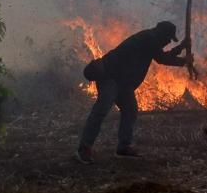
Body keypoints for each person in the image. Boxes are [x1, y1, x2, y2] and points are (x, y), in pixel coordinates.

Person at [76, 20, 189, 163]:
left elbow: (161, 55)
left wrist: (181, 48)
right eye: (168, 39)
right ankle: (84, 148)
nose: (168, 42)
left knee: (130, 111)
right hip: (111, 77)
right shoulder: (149, 38)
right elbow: (162, 59)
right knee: (100, 111)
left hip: (123, 83)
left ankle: (124, 147)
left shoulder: (150, 39)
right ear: (162, 34)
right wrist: (184, 60)